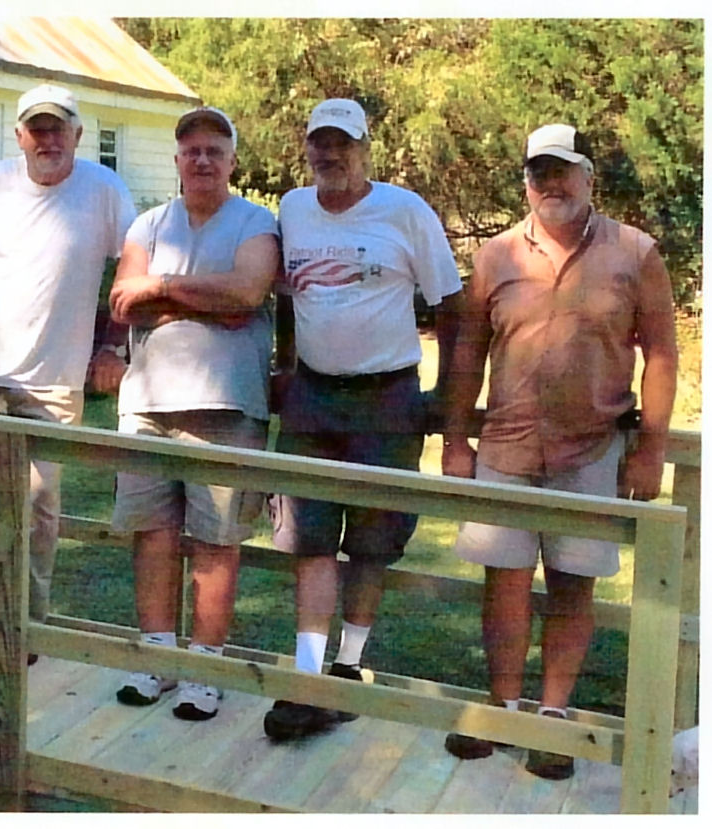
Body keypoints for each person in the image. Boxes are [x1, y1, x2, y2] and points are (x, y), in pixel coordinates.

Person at [442, 123, 678, 779]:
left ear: (589, 177)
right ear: (525, 181)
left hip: (593, 448)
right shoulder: (494, 256)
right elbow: (466, 353)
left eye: (563, 170)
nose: (551, 182)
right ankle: (502, 707)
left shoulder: (637, 252)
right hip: (506, 447)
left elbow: (662, 351)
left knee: (573, 584)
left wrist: (649, 448)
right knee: (505, 583)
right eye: (539, 171)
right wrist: (458, 439)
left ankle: (550, 718)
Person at [0, 83, 136, 670]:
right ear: (19, 137)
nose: (48, 138)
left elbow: (134, 263)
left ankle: (29, 629)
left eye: (58, 127)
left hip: (54, 380)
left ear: (78, 136)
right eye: (36, 128)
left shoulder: (105, 191)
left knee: (38, 511)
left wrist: (114, 341)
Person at [263, 98, 463, 740]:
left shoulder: (405, 211)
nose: (330, 155)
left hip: (388, 395)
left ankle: (347, 669)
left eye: (342, 143)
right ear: (307, 150)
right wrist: (287, 363)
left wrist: (442, 396)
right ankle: (307, 678)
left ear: (364, 148)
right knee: (308, 532)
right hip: (313, 396)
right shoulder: (293, 209)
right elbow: (289, 296)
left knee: (374, 536)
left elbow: (451, 306)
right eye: (319, 143)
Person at [105, 107, 279, 721]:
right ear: (178, 162)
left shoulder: (258, 222)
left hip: (228, 405)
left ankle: (204, 671)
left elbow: (246, 295)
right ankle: (156, 657)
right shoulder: (148, 224)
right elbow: (124, 302)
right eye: (191, 151)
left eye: (214, 150)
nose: (202, 160)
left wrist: (162, 289)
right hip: (146, 406)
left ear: (232, 161)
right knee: (152, 536)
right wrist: (188, 294)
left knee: (215, 541)